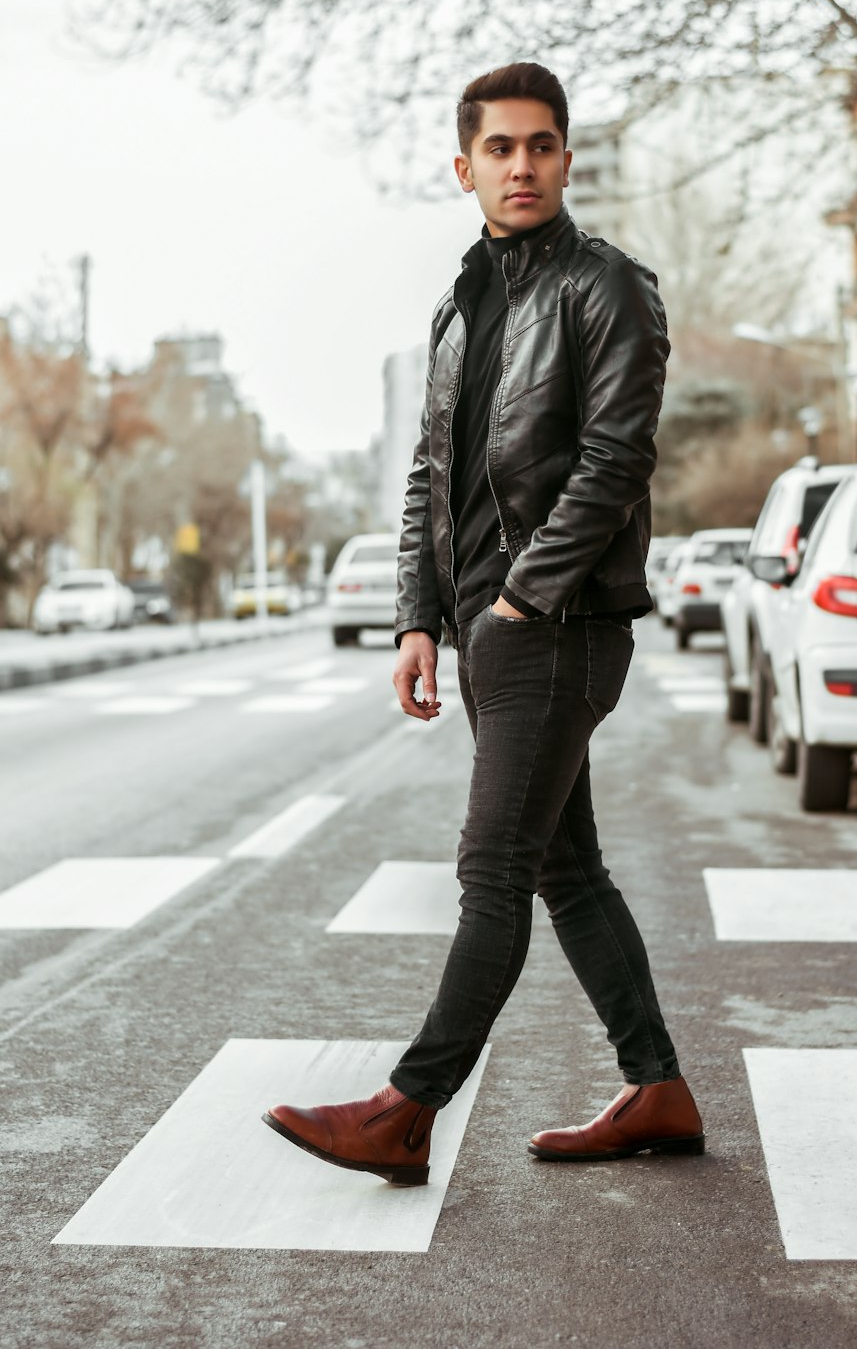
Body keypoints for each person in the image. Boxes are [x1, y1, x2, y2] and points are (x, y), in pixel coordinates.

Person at [263, 62, 704, 1186]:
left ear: (565, 157)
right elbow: (431, 471)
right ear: (464, 167)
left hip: (555, 624)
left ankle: (403, 1112)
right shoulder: (461, 305)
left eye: (541, 145)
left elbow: (614, 461)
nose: (522, 165)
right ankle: (654, 1087)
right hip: (488, 628)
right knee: (568, 868)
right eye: (499, 148)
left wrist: (518, 599)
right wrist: (421, 616)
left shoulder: (608, 288)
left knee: (493, 865)